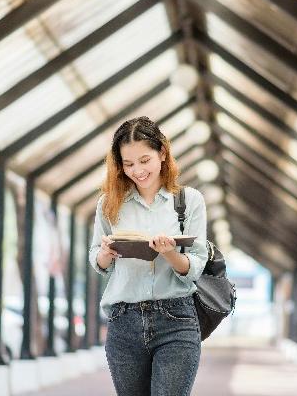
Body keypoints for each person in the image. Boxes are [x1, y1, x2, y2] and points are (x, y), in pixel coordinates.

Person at [89, 116, 209, 395]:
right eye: (128, 164)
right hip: (124, 321)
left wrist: (169, 253)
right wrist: (106, 253)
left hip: (176, 319)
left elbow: (195, 266)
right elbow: (97, 260)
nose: (137, 171)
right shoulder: (109, 203)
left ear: (162, 153)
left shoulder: (188, 201)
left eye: (145, 161)